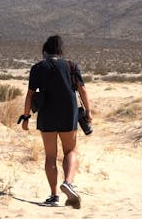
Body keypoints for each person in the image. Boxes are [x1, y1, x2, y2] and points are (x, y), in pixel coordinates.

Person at [20, 35, 92, 209]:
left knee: (50, 156)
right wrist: (88, 112)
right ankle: (68, 182)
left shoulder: (37, 68)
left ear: (45, 51)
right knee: (70, 151)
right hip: (69, 113)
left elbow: (30, 94)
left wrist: (26, 117)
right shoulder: (71, 66)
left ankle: (54, 196)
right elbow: (82, 90)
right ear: (60, 51)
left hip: (47, 115)